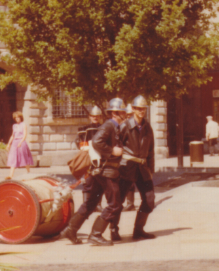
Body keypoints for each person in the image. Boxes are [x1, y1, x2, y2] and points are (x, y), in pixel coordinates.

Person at [61, 106, 107, 244]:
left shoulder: (103, 127)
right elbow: (80, 144)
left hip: (100, 165)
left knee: (93, 202)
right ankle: (92, 232)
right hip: (93, 165)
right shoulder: (85, 129)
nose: (95, 118)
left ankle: (71, 229)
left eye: (97, 116)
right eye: (93, 116)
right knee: (104, 201)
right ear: (90, 117)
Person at [87, 98, 127, 246]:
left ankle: (95, 234)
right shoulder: (109, 125)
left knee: (114, 203)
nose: (126, 115)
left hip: (111, 170)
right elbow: (97, 142)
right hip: (107, 170)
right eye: (123, 112)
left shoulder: (115, 126)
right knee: (114, 204)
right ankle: (95, 234)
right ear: (116, 113)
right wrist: (112, 151)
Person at [120, 96, 157, 240]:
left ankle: (138, 230)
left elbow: (151, 150)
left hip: (143, 168)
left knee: (149, 199)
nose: (142, 111)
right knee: (118, 201)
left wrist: (151, 169)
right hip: (127, 167)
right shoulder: (124, 126)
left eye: (144, 108)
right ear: (133, 109)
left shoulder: (148, 127)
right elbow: (116, 146)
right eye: (139, 108)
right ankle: (114, 230)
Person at [5, 111, 33, 179]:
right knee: (13, 157)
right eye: (16, 118)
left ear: (21, 118)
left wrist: (20, 142)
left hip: (21, 142)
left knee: (24, 157)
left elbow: (25, 135)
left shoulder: (23, 125)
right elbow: (12, 135)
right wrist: (9, 144)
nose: (17, 119)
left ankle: (28, 172)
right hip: (14, 142)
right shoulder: (14, 126)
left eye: (18, 117)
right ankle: (11, 175)